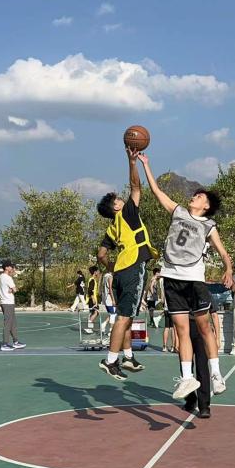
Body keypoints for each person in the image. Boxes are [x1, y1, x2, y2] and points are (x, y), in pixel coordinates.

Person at [137, 151, 233, 400]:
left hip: (193, 279)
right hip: (171, 278)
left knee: (204, 327)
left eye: (199, 196)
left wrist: (229, 269)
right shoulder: (178, 211)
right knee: (181, 331)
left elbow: (223, 253)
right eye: (195, 194)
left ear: (206, 206)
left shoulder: (209, 225)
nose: (194, 196)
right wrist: (146, 164)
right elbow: (157, 191)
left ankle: (216, 374)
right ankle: (188, 378)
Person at [96, 147, 156, 381]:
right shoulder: (127, 213)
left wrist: (111, 268)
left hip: (120, 271)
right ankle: (110, 361)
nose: (122, 199)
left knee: (127, 315)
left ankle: (128, 357)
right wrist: (132, 162)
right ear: (116, 206)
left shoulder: (112, 228)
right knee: (123, 318)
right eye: (118, 199)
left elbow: (102, 254)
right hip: (133, 267)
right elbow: (136, 187)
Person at [0, 261, 25, 351]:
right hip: (8, 303)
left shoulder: (1, 276)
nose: (12, 268)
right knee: (8, 324)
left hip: (5, 302)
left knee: (13, 323)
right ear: (6, 267)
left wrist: (11, 290)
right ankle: (4, 344)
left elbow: (10, 289)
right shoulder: (7, 277)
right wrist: (13, 289)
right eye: (10, 267)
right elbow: (15, 289)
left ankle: (16, 342)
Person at [83, 266, 101, 335]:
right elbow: (90, 290)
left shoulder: (93, 279)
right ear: (95, 272)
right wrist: (93, 298)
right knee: (96, 312)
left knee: (93, 312)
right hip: (92, 299)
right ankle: (88, 326)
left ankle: (89, 327)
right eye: (98, 271)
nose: (98, 272)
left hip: (92, 299)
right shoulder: (92, 280)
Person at [100, 267, 117, 337]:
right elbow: (110, 288)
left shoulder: (104, 277)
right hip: (109, 298)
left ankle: (104, 324)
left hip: (105, 297)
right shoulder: (110, 277)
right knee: (113, 314)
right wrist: (113, 299)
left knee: (113, 313)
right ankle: (111, 330)